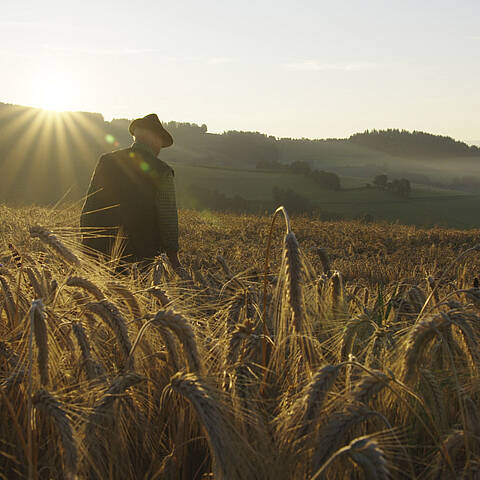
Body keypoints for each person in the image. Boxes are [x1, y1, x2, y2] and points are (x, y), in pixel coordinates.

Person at [80, 113, 181, 270]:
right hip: (140, 256)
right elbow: (167, 217)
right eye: (161, 143)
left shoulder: (106, 161)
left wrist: (87, 244)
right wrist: (174, 258)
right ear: (154, 138)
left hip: (98, 252)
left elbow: (89, 206)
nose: (160, 148)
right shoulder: (162, 171)